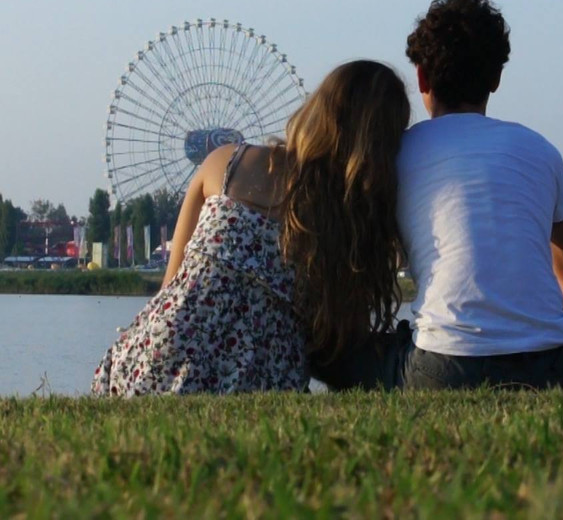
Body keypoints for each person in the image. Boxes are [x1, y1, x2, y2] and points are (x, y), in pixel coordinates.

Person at [314, 0, 563, 391]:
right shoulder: (540, 150)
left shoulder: (397, 153)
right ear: (496, 79)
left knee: (324, 344)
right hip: (555, 369)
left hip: (444, 370)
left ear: (421, 77)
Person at [92, 60, 410, 396]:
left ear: (317, 110)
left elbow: (171, 286)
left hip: (154, 358)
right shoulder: (352, 223)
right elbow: (334, 340)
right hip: (258, 377)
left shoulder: (224, 163)